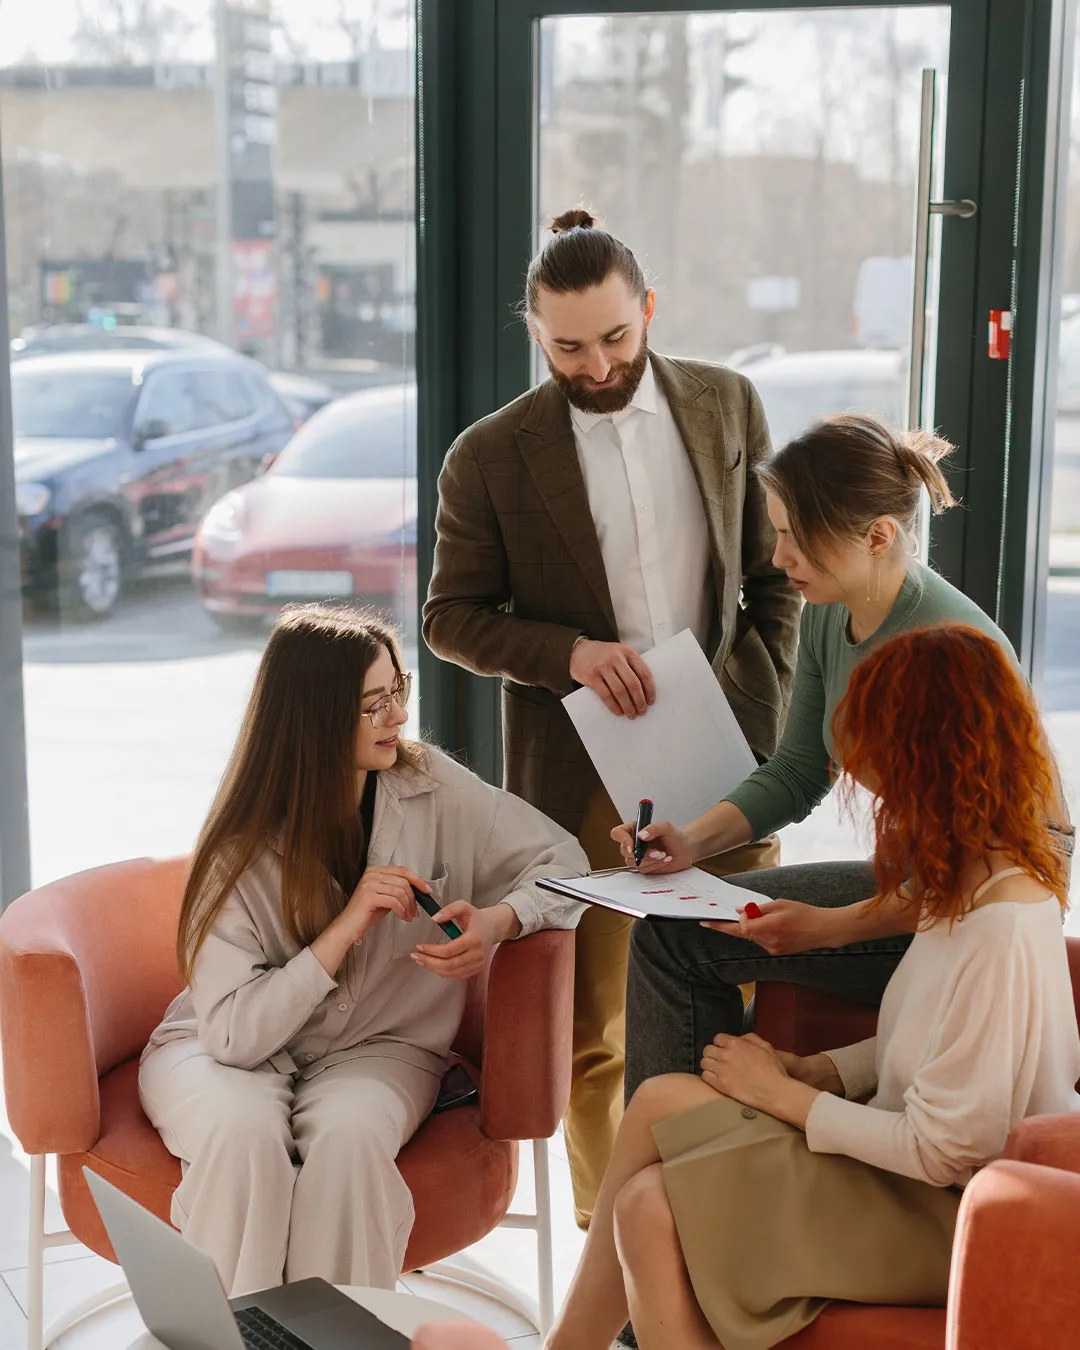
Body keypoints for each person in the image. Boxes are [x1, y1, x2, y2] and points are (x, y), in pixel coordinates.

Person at [547, 623, 1080, 1350]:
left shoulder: (997, 931)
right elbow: (938, 1044)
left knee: (647, 1206)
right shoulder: (974, 880)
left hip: (943, 1212)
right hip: (913, 1181)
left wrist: (784, 1096)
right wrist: (823, 1071)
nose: (873, 790)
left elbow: (946, 1152)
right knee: (661, 1101)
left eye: (885, 767)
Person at [423, 207, 800, 1227]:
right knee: (596, 1024)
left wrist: (755, 714)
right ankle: (617, 1249)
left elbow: (774, 580)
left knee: (744, 999)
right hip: (581, 767)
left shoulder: (729, 406)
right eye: (568, 346)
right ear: (535, 332)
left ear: (650, 309)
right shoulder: (490, 456)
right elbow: (448, 618)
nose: (596, 367)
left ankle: (728, 1231)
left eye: (616, 338)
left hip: (721, 757)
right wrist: (571, 656)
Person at [615, 412, 1074, 1101]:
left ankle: (693, 1165)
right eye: (777, 533)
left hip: (983, 900)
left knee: (675, 949)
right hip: (923, 874)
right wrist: (688, 841)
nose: (778, 559)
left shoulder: (949, 648)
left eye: (796, 538)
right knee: (671, 935)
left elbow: (981, 873)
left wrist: (829, 929)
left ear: (878, 536)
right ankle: (688, 1169)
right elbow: (799, 771)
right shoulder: (831, 602)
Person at [138, 604, 586, 1297]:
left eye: (397, 693)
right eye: (373, 705)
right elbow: (231, 1037)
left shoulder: (431, 786)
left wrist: (499, 922)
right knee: (243, 1140)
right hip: (224, 1043)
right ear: (313, 718)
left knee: (348, 1148)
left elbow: (565, 860)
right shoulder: (242, 846)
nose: (398, 719)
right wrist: (346, 925)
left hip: (382, 1047)